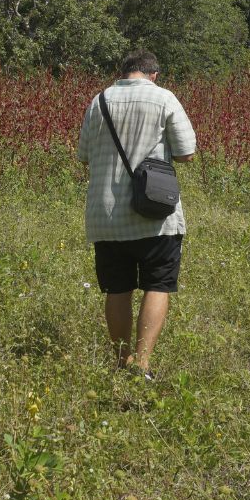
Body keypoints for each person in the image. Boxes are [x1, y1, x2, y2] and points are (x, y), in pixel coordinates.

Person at [77, 50, 197, 379]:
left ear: (124, 72)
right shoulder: (164, 98)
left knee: (117, 289)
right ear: (153, 74)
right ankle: (142, 365)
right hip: (155, 213)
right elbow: (187, 152)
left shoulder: (98, 101)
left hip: (106, 215)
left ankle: (121, 361)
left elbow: (84, 155)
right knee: (158, 285)